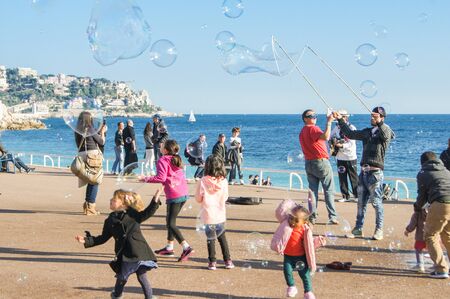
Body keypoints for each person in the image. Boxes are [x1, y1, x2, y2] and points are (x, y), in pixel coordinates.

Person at [75, 188, 162, 299]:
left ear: (123, 204)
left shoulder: (132, 215)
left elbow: (147, 213)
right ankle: (147, 297)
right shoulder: (110, 220)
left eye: (114, 199)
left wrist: (155, 199)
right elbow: (103, 238)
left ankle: (117, 295)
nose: (111, 200)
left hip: (136, 252)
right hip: (127, 253)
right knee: (137, 276)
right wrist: (86, 240)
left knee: (125, 277)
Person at [334, 107, 395, 241]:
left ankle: (379, 230)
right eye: (372, 116)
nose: (373, 118)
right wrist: (339, 119)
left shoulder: (385, 131)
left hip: (375, 173)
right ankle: (358, 229)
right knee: (361, 203)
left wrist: (380, 123)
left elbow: (387, 135)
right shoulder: (367, 132)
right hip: (363, 172)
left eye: (376, 116)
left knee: (376, 202)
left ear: (382, 118)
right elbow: (350, 134)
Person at [140, 140, 194, 262]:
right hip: (183, 193)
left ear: (165, 150)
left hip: (174, 195)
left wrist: (146, 179)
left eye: (162, 146)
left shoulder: (163, 160)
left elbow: (161, 177)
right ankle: (169, 247)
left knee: (171, 223)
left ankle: (186, 247)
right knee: (170, 220)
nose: (160, 146)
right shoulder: (177, 159)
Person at [413, 151, 450, 279]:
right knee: (447, 235)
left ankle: (441, 269)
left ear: (422, 162)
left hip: (440, 203)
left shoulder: (423, 173)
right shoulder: (446, 171)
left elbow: (421, 196)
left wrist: (417, 208)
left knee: (430, 235)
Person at [195, 155, 234, 270]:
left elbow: (198, 198)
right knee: (222, 238)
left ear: (207, 166)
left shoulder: (203, 181)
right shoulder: (224, 181)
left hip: (208, 215)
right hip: (220, 215)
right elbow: (225, 197)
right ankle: (228, 261)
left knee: (210, 239)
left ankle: (212, 262)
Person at [299, 109, 338, 225]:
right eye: (311, 116)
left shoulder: (302, 132)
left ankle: (312, 217)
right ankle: (333, 216)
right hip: (321, 162)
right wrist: (329, 122)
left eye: (315, 115)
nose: (314, 117)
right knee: (329, 190)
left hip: (309, 163)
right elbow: (326, 136)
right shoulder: (313, 128)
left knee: (313, 192)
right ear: (305, 119)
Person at [274, 205, 317, 299]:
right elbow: (279, 212)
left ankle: (308, 292)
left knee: (305, 275)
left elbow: (309, 243)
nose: (293, 222)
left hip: (301, 257)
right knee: (287, 271)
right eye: (292, 218)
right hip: (288, 256)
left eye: (297, 221)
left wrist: (318, 241)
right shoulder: (286, 225)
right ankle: (291, 286)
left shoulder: (305, 230)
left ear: (304, 222)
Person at [74, 111, 106, 215]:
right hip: (93, 156)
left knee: (90, 180)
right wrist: (102, 132)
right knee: (95, 181)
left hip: (82, 155)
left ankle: (87, 204)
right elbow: (101, 142)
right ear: (89, 119)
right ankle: (91, 206)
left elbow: (78, 144)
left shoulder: (77, 130)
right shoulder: (90, 128)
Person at [330, 109, 358, 202]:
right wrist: (333, 143)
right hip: (340, 156)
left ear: (346, 117)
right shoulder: (336, 128)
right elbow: (330, 137)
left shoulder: (352, 127)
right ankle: (345, 196)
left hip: (350, 157)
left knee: (353, 177)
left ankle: (357, 195)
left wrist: (342, 145)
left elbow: (352, 143)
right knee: (342, 177)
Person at [404, 207, 428, 273]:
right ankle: (437, 265)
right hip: (432, 237)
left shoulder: (417, 214)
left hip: (420, 237)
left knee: (419, 250)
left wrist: (407, 230)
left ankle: (420, 265)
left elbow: (412, 225)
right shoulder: (434, 211)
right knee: (433, 251)